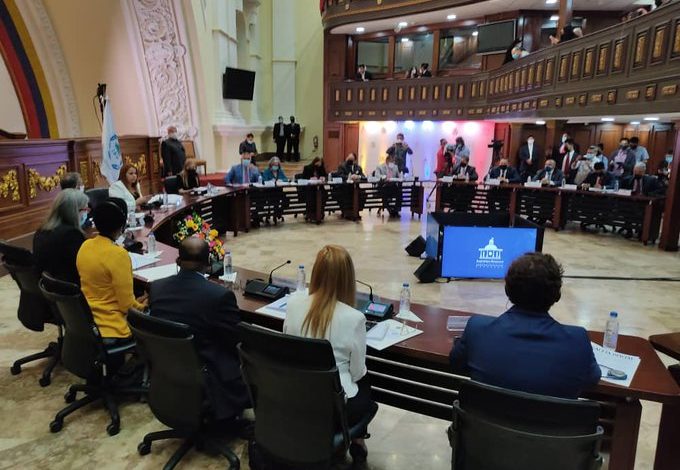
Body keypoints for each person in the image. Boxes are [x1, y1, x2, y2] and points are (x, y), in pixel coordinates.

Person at [450, 253, 601, 399]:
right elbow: (592, 379)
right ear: (557, 295)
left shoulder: (477, 328)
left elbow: (456, 363)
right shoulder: (577, 340)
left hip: (484, 416)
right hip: (548, 418)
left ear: (507, 291)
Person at [284, 245, 373, 463]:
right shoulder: (354, 318)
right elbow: (357, 373)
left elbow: (287, 344)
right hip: (333, 409)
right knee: (365, 382)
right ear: (348, 279)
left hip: (293, 396)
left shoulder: (293, 303)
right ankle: (358, 441)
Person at [149, 238, 250, 421]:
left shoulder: (156, 288)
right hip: (207, 374)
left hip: (166, 368)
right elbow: (236, 341)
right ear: (209, 263)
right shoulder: (219, 296)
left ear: (178, 261)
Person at [77, 201, 147, 342]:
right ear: (121, 228)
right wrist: (144, 306)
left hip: (87, 319)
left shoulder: (85, 246)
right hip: (112, 326)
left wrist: (136, 302)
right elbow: (127, 306)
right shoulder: (118, 255)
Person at [33, 189, 89, 284]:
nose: (86, 213)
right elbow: (84, 267)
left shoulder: (41, 230)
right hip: (68, 287)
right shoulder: (71, 235)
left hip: (45, 285)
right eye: (85, 209)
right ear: (74, 212)